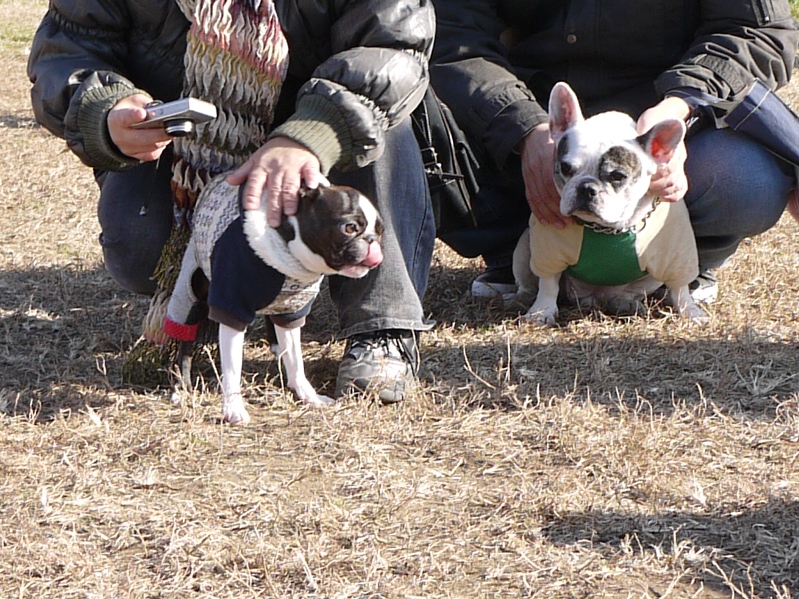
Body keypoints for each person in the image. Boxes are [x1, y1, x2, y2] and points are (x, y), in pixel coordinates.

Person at [27, 0, 436, 404]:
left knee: (379, 123)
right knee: (141, 246)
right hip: (184, 143)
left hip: (322, 119)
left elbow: (395, 44)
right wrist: (104, 109)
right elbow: (68, 46)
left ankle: (382, 328)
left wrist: (312, 134)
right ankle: (214, 294)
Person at [429, 1, 799, 302]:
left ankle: (673, 263)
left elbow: (759, 32)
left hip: (662, 121)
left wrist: (680, 106)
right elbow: (448, 33)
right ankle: (519, 258)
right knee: (414, 128)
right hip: (525, 117)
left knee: (748, 177)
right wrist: (522, 125)